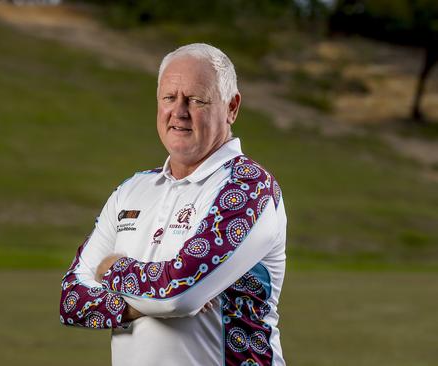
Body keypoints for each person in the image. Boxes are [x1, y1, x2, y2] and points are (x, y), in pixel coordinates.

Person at [59, 43, 287, 366]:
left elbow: (177, 293)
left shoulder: (249, 187)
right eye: (169, 98)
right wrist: (142, 303)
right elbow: (71, 299)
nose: (179, 112)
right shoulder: (132, 189)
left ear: (231, 107)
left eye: (196, 99)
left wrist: (111, 270)